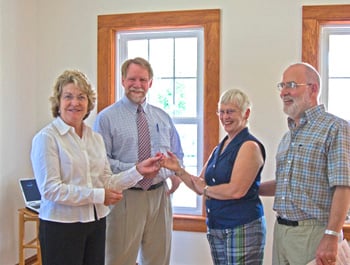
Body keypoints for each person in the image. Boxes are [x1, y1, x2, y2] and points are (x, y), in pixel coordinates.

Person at [30, 69, 162, 265]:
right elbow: (51, 190)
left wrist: (138, 171)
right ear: (58, 101)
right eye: (68, 96)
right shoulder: (47, 138)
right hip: (61, 226)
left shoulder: (95, 138)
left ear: (88, 103)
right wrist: (100, 196)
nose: (75, 103)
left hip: (96, 222)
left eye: (81, 97)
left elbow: (107, 180)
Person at [93, 57, 184, 265]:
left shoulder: (162, 117)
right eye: (132, 79)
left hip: (160, 197)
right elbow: (101, 164)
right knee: (118, 260)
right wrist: (135, 170)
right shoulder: (106, 118)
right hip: (125, 197)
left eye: (143, 80)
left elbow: (177, 155)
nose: (137, 85)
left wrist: (174, 174)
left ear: (150, 82)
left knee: (159, 260)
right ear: (123, 81)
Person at [161, 88, 266, 265]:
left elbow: (236, 190)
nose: (225, 117)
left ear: (246, 113)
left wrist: (206, 189)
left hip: (242, 227)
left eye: (231, 111)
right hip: (217, 226)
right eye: (222, 112)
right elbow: (199, 185)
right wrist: (178, 170)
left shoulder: (249, 146)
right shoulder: (221, 146)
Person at [259, 62, 350, 265]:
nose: (284, 92)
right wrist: (251, 189)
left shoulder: (335, 128)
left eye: (291, 84)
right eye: (281, 86)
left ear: (313, 88)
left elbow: (343, 186)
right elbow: (285, 184)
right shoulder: (287, 137)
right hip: (281, 232)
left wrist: (331, 234)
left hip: (314, 234)